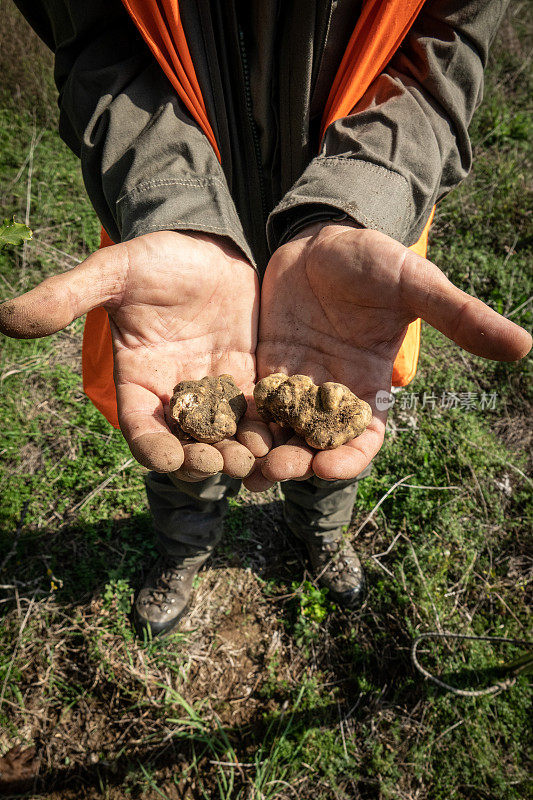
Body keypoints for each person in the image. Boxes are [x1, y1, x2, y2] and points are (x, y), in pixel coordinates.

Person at [1, 0, 530, 638]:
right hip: (171, 254)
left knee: (328, 455)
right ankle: (184, 552)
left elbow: (444, 54)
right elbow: (93, 42)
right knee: (184, 456)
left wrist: (366, 196)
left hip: (351, 259)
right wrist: (170, 199)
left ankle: (325, 534)